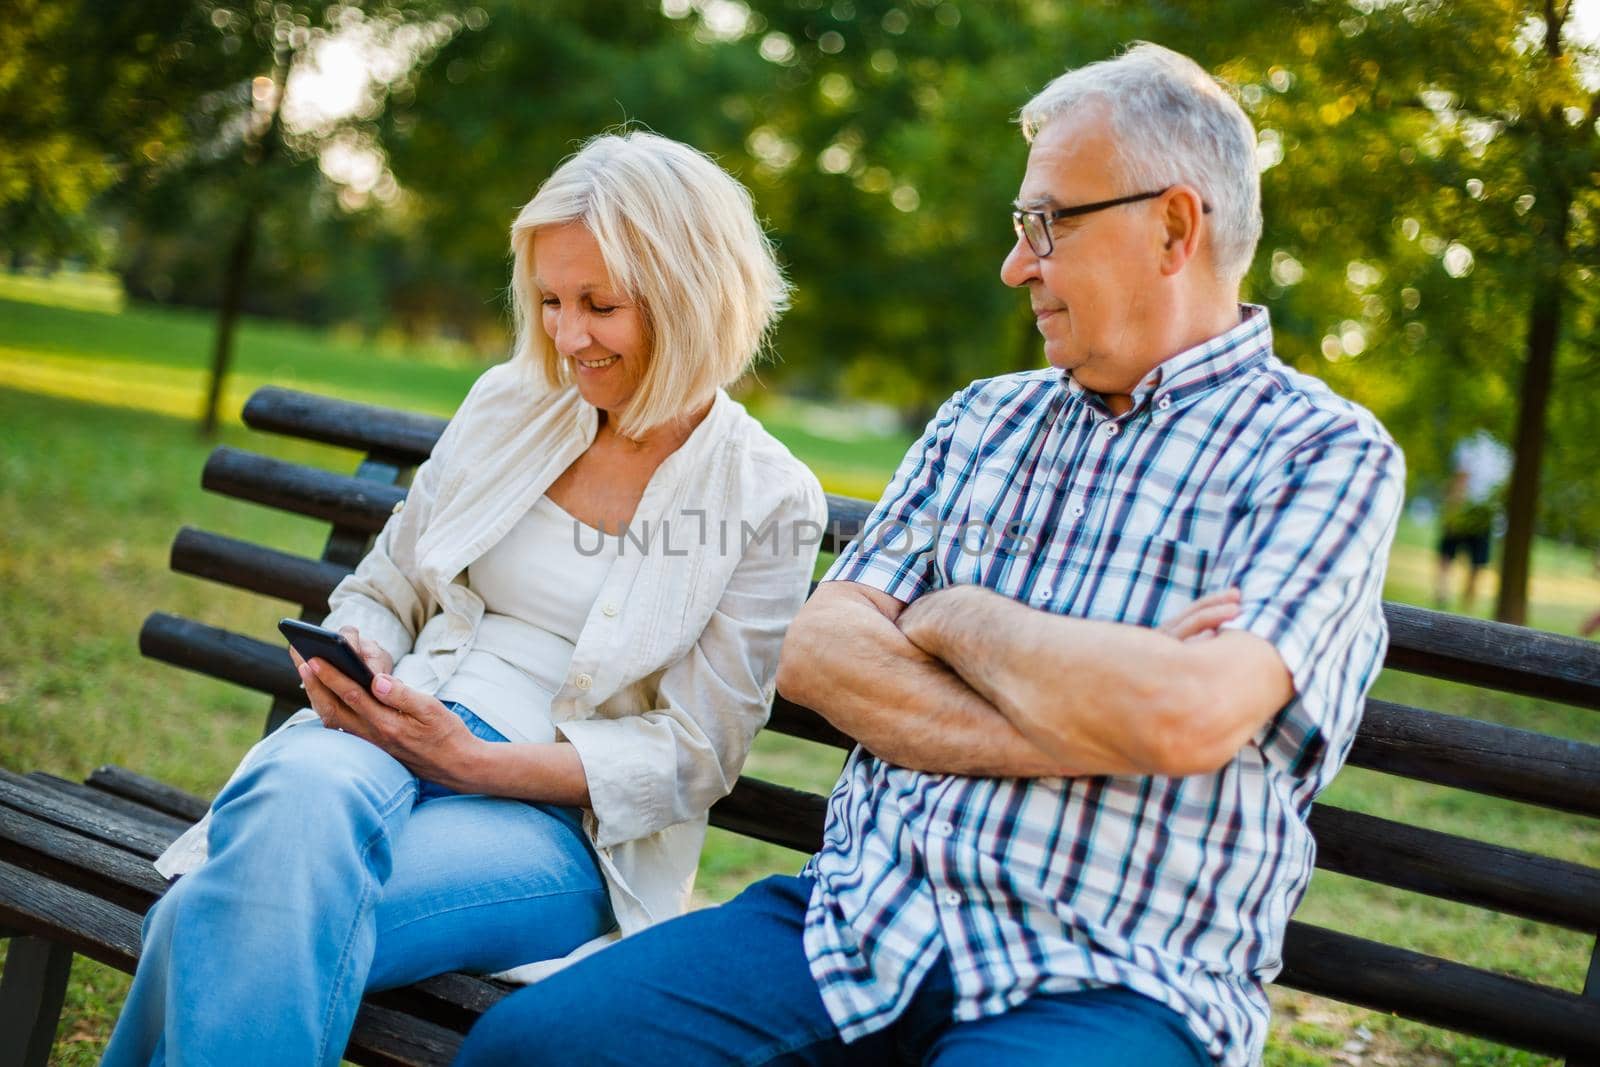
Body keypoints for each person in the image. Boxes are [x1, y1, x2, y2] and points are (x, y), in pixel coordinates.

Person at [453, 43, 1406, 1067]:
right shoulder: (982, 421)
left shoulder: (1322, 454)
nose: (1015, 265)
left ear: (1172, 226)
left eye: (1045, 225)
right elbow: (819, 651)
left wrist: (958, 618)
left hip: (1115, 977)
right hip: (854, 926)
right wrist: (1103, 699)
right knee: (530, 1049)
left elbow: (1185, 712)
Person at [101, 131, 826, 1066]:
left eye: (601, 305)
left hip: (557, 827)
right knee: (296, 793)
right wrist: (352, 656)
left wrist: (474, 763)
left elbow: (693, 757)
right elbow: (386, 586)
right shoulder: (507, 405)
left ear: (692, 295)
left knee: (213, 913)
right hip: (386, 738)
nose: (567, 337)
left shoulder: (764, 495)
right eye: (552, 301)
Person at [1433, 429, 1510, 612]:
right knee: (1477, 565)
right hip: (1486, 512)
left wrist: (1452, 512)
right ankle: (1466, 606)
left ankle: (1443, 597)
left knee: (1446, 557)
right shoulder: (1505, 454)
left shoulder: (1469, 444)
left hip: (1465, 508)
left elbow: (1461, 479)